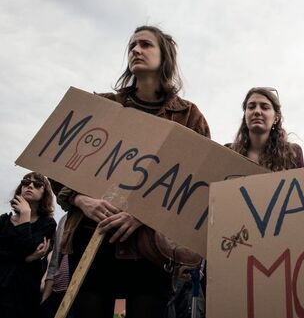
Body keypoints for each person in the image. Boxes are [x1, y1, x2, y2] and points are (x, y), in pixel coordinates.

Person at [55, 25, 210, 318]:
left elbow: (197, 185)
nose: (136, 50)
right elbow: (58, 162)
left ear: (165, 57)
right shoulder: (102, 106)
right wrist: (79, 200)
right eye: (132, 46)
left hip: (149, 251)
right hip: (92, 240)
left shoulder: (189, 116)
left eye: (145, 45)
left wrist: (143, 212)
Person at [0, 172, 56, 318]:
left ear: (45, 193)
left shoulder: (47, 224)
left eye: (37, 184)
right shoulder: (3, 221)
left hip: (23, 297)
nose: (30, 185)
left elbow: (24, 248)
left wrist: (25, 215)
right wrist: (27, 259)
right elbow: (24, 252)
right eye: (25, 182)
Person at [229, 87, 304, 171]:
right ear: (245, 115)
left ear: (276, 118)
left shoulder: (293, 153)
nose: (257, 111)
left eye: (264, 107)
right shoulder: (228, 152)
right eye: (251, 107)